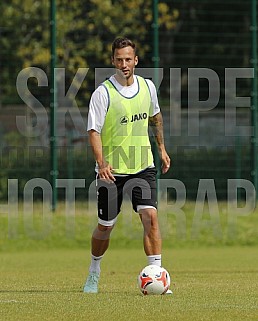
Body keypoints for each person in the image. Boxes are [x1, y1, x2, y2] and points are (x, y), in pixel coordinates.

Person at [83, 37, 172, 294]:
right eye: (119, 59)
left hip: (143, 166)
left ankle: (157, 275)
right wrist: (101, 164)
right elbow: (93, 131)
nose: (124, 64)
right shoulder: (103, 93)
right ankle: (94, 271)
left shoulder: (147, 87)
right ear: (113, 61)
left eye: (128, 59)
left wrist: (162, 149)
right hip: (112, 173)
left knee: (151, 217)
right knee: (105, 226)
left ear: (136, 60)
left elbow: (155, 117)